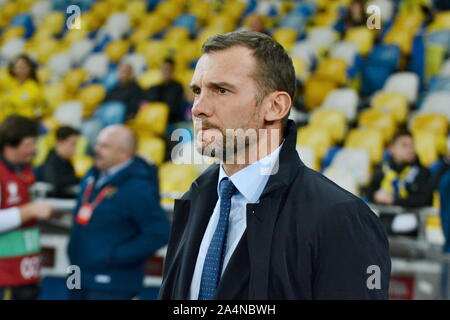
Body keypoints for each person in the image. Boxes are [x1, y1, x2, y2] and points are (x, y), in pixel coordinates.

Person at [159, 31, 390, 300]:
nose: (198, 108)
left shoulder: (341, 218)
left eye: (221, 90)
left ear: (276, 106)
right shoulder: (196, 197)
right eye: (197, 90)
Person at [67, 125, 170, 300]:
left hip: (114, 286)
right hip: (79, 278)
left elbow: (159, 232)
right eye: (98, 144)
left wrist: (114, 257)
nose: (96, 150)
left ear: (125, 153)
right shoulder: (91, 176)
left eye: (105, 146)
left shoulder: (138, 187)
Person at [0, 115, 53, 300]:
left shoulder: (23, 171)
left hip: (25, 274)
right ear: (10, 146)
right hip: (5, 277)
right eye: (30, 144)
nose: (35, 149)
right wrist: (29, 211)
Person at [367, 129, 433, 208]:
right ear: (392, 149)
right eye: (404, 145)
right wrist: (376, 196)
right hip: (383, 215)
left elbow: (425, 199)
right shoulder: (383, 168)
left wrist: (394, 200)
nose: (410, 150)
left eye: (412, 145)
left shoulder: (422, 171)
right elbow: (369, 192)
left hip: (411, 217)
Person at [37, 126, 80, 198]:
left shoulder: (67, 162)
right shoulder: (51, 161)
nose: (74, 148)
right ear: (60, 142)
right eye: (72, 144)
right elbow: (55, 182)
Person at [0, 55, 47, 120]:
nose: (20, 69)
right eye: (17, 66)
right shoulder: (7, 83)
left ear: (29, 68)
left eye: (23, 66)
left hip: (24, 121)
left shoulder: (34, 87)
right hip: (5, 120)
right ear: (12, 69)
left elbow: (41, 108)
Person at [143, 57, 186, 125]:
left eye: (169, 69)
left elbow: (173, 108)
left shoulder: (177, 86)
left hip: (170, 120)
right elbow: (148, 103)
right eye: (164, 69)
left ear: (173, 71)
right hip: (154, 119)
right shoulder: (155, 86)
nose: (166, 71)